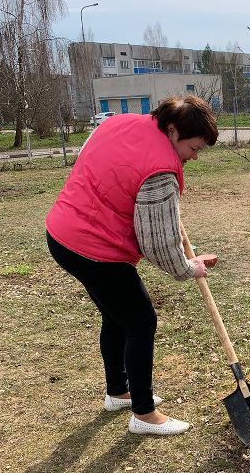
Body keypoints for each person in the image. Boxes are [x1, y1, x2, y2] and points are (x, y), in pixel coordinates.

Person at [46, 95, 218, 436]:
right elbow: (157, 244)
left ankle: (118, 392)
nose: (195, 157)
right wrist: (188, 267)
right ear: (172, 130)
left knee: (117, 316)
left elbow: (95, 167)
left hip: (61, 233)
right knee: (141, 320)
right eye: (194, 148)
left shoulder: (119, 123)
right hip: (93, 248)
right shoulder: (160, 171)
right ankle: (143, 414)